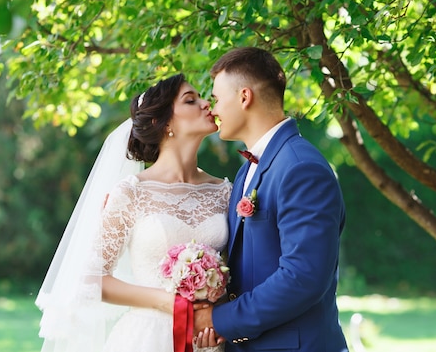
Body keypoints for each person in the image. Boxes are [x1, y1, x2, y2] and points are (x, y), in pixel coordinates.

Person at [36, 74, 231, 352]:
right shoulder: (131, 192)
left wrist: (218, 314)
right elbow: (92, 278)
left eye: (202, 97)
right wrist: (167, 302)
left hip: (207, 337)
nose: (205, 103)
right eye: (191, 100)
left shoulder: (225, 192)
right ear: (163, 123)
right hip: (148, 338)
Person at [194, 47, 348, 351]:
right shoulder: (248, 170)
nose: (213, 108)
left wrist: (220, 318)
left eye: (216, 98)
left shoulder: (301, 168)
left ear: (244, 97)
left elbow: (303, 277)